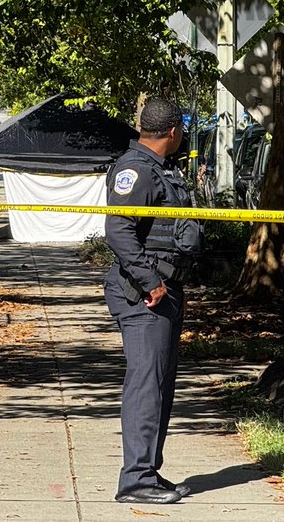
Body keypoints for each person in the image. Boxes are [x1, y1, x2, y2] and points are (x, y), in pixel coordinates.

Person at [104, 96, 201, 505]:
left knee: (159, 385)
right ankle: (135, 480)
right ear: (174, 132)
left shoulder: (159, 170)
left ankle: (148, 471)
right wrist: (150, 283)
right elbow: (118, 231)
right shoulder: (135, 170)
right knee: (146, 386)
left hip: (163, 291)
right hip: (144, 295)